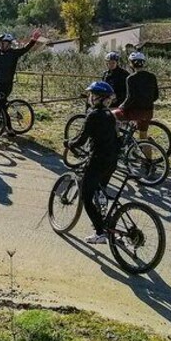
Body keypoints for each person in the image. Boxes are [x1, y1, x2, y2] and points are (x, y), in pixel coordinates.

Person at [64, 81, 119, 244]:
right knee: (100, 190)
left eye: (91, 95)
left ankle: (100, 232)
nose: (89, 97)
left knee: (86, 198)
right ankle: (107, 220)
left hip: (97, 160)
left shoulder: (93, 115)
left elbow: (81, 139)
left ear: (97, 98)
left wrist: (69, 144)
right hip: (112, 160)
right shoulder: (110, 115)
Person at [114, 51, 159, 143]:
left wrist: (121, 106)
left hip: (135, 112)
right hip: (148, 111)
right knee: (143, 137)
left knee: (112, 116)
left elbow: (130, 98)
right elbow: (156, 96)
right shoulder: (152, 76)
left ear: (131, 64)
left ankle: (117, 142)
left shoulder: (130, 78)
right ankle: (149, 148)